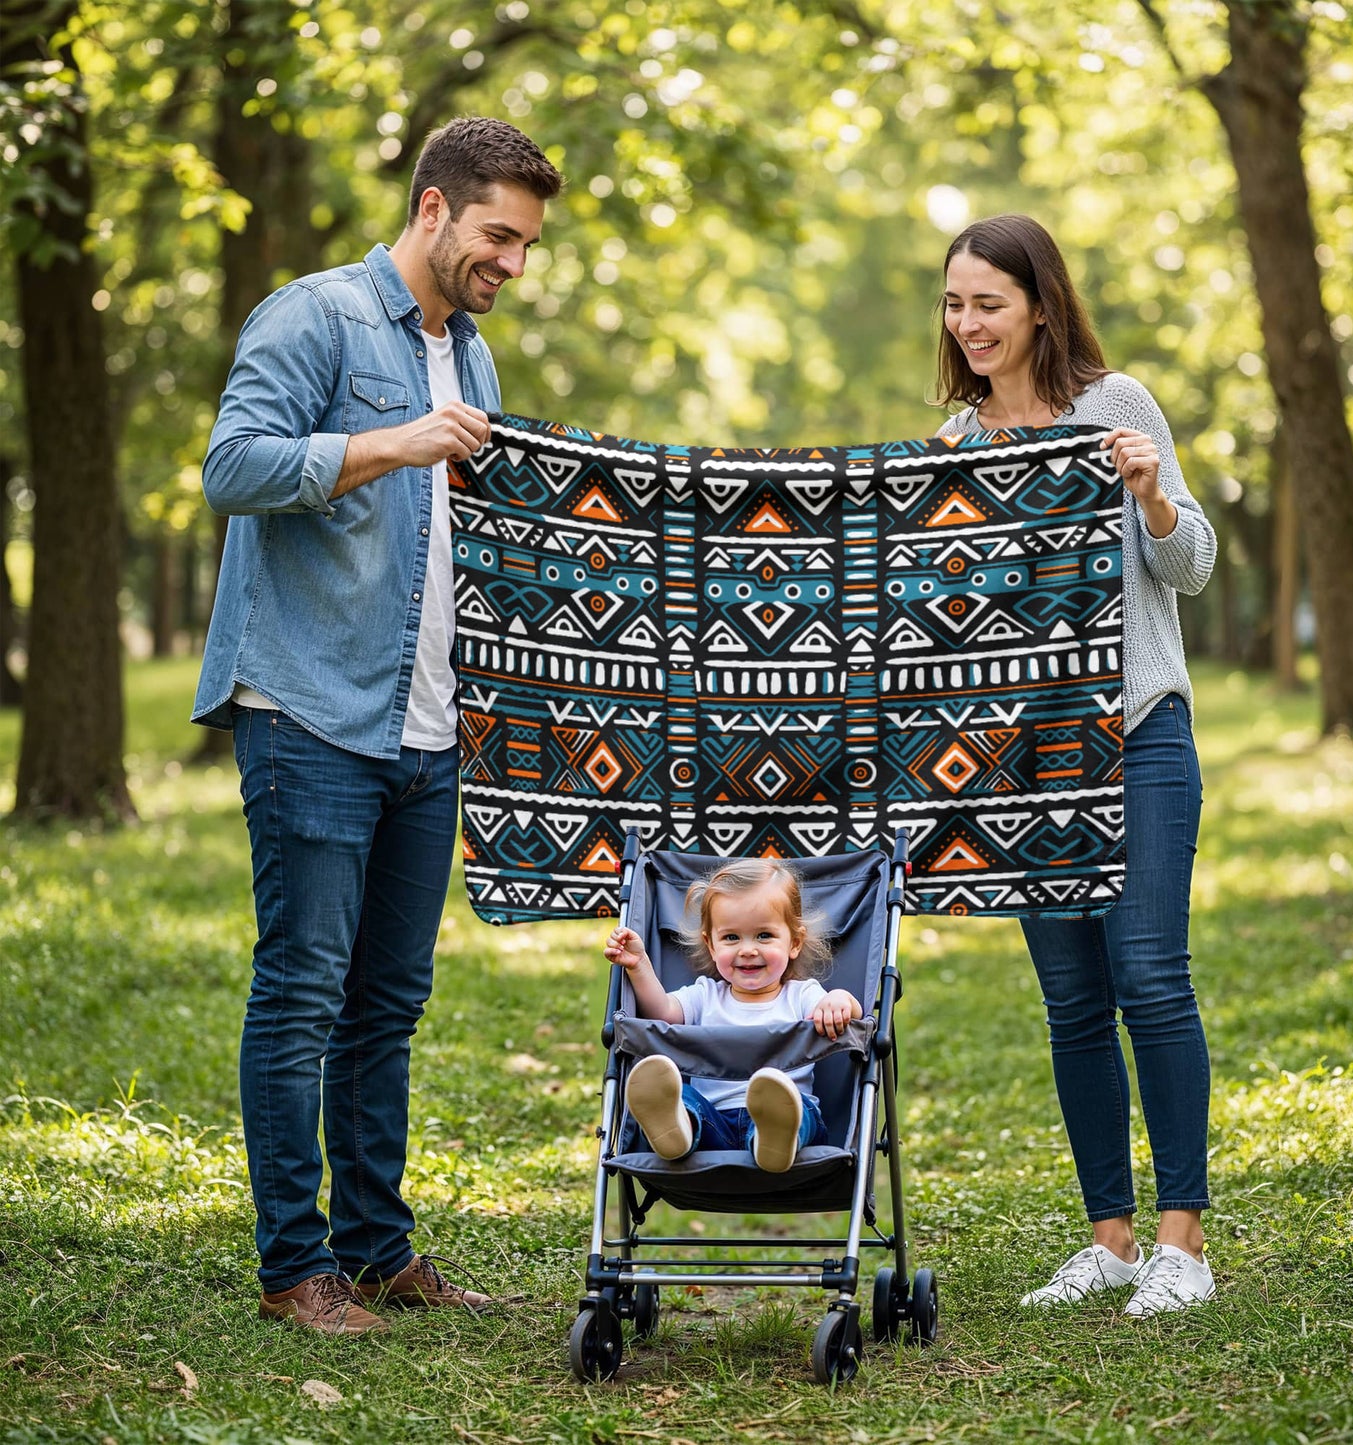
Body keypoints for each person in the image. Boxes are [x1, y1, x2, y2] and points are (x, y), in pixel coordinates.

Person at [191, 118, 563, 1334]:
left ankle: (376, 1248)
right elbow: (233, 466)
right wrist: (387, 442)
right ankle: (293, 1267)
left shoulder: (477, 359)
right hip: (308, 705)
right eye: (497, 235)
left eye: (525, 245)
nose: (510, 261)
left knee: (388, 1001)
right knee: (301, 988)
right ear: (432, 210)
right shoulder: (313, 318)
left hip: (428, 724)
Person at [933, 215, 1218, 1317]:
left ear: (1039, 304)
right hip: (1022, 763)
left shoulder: (1118, 406)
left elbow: (1187, 564)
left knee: (1148, 974)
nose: (968, 327)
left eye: (988, 304)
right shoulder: (952, 455)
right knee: (1069, 1000)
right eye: (955, 306)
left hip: (1137, 731)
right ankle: (1105, 1240)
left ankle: (1179, 1243)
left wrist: (1149, 492)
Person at [604, 858, 862, 1173]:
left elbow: (850, 1012)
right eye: (731, 938)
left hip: (790, 1119)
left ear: (794, 942)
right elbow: (664, 1015)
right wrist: (639, 964)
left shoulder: (803, 995)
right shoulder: (704, 994)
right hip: (715, 1123)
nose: (747, 949)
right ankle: (678, 1129)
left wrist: (840, 999)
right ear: (710, 945)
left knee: (800, 1109)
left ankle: (773, 1138)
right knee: (684, 1098)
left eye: (764, 935)